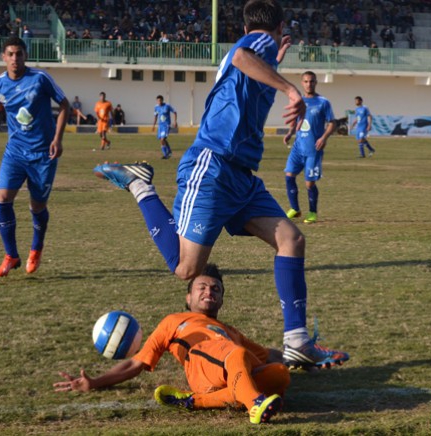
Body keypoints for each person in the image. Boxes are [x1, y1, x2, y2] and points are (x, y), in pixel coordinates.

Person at [93, 0, 349, 371]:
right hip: (213, 166)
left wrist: (275, 63)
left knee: (291, 240)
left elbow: (247, 68)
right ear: (277, 28)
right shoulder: (257, 42)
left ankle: (297, 342)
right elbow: (244, 56)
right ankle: (139, 186)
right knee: (186, 269)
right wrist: (291, 90)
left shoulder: (262, 52)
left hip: (241, 176)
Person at [53, 264, 290, 424]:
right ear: (188, 298)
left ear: (221, 300)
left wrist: (297, 356)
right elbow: (136, 363)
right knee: (236, 354)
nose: (209, 291)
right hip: (204, 367)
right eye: (202, 287)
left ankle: (194, 401)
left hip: (231, 370)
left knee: (280, 374)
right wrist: (95, 382)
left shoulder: (231, 331)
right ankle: (255, 403)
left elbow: (268, 355)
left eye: (215, 289)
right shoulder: (174, 321)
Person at [0, 36, 69, 277]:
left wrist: (57, 139)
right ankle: (11, 255)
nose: (15, 58)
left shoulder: (40, 78)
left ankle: (36, 248)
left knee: (37, 206)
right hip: (14, 152)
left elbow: (64, 105)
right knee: (2, 198)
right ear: (3, 57)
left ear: (25, 56)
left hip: (43, 154)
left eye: (19, 54)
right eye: (10, 54)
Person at [283, 71, 336, 225]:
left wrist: (323, 138)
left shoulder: (323, 102)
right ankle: (295, 208)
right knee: (289, 176)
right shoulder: (298, 101)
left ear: (316, 82)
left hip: (314, 149)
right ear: (302, 83)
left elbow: (332, 123)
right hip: (298, 147)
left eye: (311, 81)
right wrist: (290, 133)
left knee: (309, 184)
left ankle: (312, 212)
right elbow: (295, 120)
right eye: (306, 81)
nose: (309, 84)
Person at [152, 95, 177, 159]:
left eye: (160, 100)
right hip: (160, 125)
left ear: (162, 100)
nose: (159, 102)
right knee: (163, 139)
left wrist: (175, 122)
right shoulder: (156, 107)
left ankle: (166, 155)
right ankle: (169, 151)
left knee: (162, 139)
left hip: (166, 125)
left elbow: (174, 112)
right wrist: (153, 125)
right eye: (158, 101)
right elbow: (155, 116)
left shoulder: (167, 106)